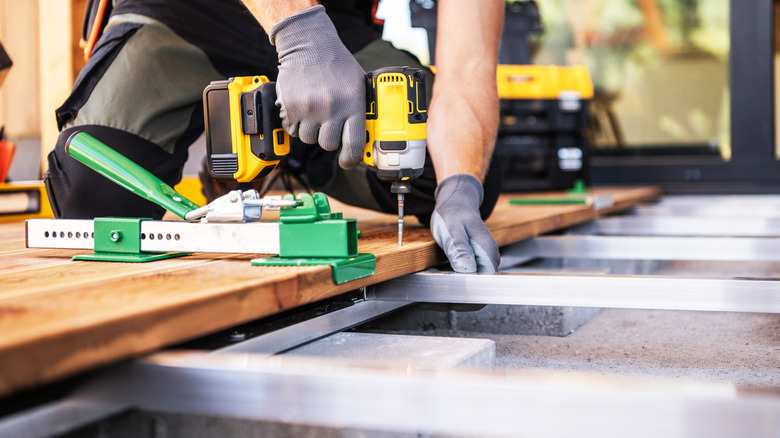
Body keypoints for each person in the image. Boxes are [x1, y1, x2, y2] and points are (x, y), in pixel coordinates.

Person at [44, 0, 504, 273]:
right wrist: (301, 35)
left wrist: (459, 185)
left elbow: (469, 66)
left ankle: (289, 149)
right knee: (95, 199)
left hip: (335, 25)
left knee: (444, 168)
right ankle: (257, 139)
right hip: (181, 12)